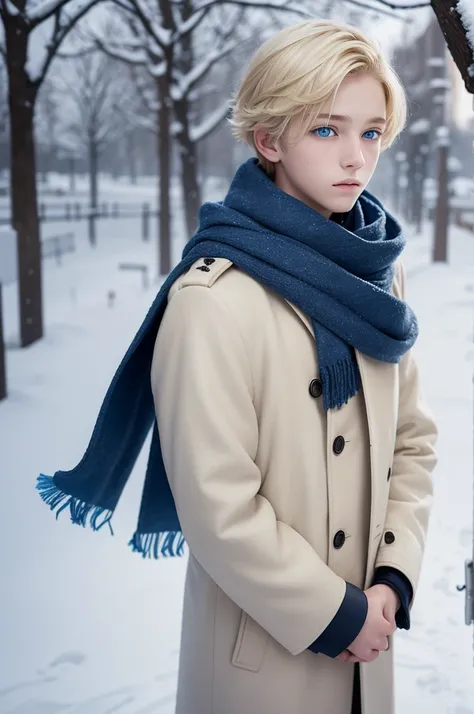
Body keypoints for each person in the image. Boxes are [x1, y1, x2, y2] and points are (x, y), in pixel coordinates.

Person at [37, 19, 438, 714]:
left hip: (367, 665)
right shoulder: (212, 300)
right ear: (268, 138)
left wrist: (393, 577)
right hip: (262, 667)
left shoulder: (381, 281)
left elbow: (412, 439)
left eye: (372, 132)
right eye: (327, 130)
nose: (356, 157)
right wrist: (333, 613)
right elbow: (216, 504)